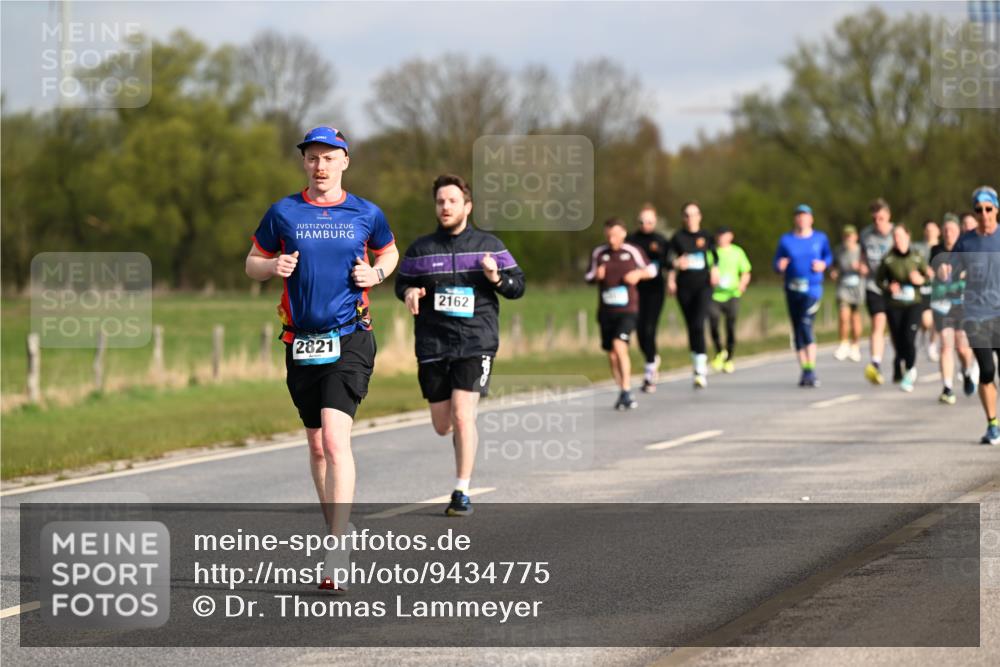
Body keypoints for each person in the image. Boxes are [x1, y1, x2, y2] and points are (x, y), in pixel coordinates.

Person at [246, 126, 399, 589]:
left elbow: (390, 254)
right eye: (313, 158)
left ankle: (336, 548)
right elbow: (251, 262)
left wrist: (374, 272)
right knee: (315, 445)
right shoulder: (283, 212)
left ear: (345, 161)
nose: (320, 166)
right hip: (300, 341)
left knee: (335, 440)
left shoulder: (366, 213)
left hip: (349, 336)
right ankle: (337, 525)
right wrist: (272, 267)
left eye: (329, 158)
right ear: (305, 163)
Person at [395, 174, 525, 516]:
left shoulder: (490, 246)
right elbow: (402, 283)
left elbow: (518, 286)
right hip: (433, 343)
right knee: (443, 425)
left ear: (467, 206)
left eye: (452, 201)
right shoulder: (421, 249)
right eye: (440, 201)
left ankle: (461, 490)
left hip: (476, 341)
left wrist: (496, 277)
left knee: (463, 415)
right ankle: (458, 441)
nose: (445, 207)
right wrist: (409, 292)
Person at [586, 217, 658, 409]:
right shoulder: (599, 253)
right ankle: (623, 391)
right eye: (609, 236)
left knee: (620, 345)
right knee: (612, 355)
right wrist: (596, 276)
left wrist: (639, 274)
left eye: (616, 235)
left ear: (623, 234)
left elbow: (652, 269)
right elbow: (588, 276)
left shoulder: (632, 251)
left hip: (628, 309)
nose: (612, 240)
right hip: (606, 310)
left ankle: (626, 390)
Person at [950, 186, 1000, 445]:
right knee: (988, 369)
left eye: (988, 209)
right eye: (979, 210)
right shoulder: (966, 241)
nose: (984, 214)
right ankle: (992, 423)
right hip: (976, 314)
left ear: (996, 210)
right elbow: (951, 269)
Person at [774, 204, 832, 387]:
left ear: (811, 219)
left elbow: (829, 257)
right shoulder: (786, 240)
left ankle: (811, 369)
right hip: (792, 289)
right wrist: (780, 265)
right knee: (797, 329)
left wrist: (823, 264)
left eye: (805, 216)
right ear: (795, 219)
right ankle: (805, 371)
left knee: (806, 324)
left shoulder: (820, 238)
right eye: (798, 216)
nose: (801, 219)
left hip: (812, 289)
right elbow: (776, 262)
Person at [667, 202, 719, 388]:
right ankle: (696, 363)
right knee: (691, 325)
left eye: (694, 214)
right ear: (683, 218)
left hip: (703, 286)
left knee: (699, 323)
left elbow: (715, 256)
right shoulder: (677, 237)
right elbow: (670, 259)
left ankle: (701, 369)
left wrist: (715, 270)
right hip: (684, 286)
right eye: (687, 215)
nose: (690, 219)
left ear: (700, 216)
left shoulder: (706, 236)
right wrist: (673, 274)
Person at [876, 225, 931, 392]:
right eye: (895, 237)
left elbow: (929, 277)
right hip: (894, 305)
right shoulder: (888, 259)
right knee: (899, 340)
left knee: (909, 337)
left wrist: (920, 279)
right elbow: (879, 280)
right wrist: (888, 287)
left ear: (908, 236)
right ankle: (897, 361)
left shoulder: (917, 257)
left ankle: (909, 371)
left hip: (914, 303)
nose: (898, 240)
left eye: (900, 236)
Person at [930, 213, 977, 404]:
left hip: (962, 304)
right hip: (942, 304)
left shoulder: (966, 250)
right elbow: (939, 269)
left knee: (963, 348)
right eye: (946, 230)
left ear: (959, 232)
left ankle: (966, 371)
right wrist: (943, 270)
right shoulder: (936, 250)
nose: (949, 233)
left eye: (953, 230)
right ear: (942, 232)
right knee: (945, 345)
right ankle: (947, 388)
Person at [626, 204, 670, 392]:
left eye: (650, 221)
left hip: (655, 290)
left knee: (650, 328)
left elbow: (667, 263)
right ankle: (652, 357)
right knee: (640, 331)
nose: (646, 224)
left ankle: (649, 372)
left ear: (655, 221)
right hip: (635, 290)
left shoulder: (660, 240)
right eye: (642, 221)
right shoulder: (631, 240)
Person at [859, 198, 896, 384]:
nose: (878, 223)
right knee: (878, 321)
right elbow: (862, 256)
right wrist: (863, 265)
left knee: (896, 328)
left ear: (888, 216)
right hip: (874, 285)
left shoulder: (896, 234)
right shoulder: (866, 234)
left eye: (881, 218)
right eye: (874, 219)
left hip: (894, 286)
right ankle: (875, 363)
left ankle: (900, 361)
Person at [708, 226, 752, 373]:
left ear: (730, 236)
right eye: (719, 235)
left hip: (732, 294)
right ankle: (720, 351)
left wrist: (742, 284)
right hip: (715, 295)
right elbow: (706, 270)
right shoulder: (711, 252)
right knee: (713, 323)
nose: (721, 238)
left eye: (724, 235)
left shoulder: (737, 252)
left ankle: (729, 358)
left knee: (730, 327)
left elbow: (746, 271)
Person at [830, 225, 864, 362]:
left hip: (857, 288)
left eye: (850, 236)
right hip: (843, 288)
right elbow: (833, 265)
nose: (848, 239)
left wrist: (860, 268)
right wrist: (833, 272)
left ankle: (855, 345)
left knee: (855, 321)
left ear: (855, 237)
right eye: (845, 236)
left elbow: (868, 268)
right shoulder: (839, 250)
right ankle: (843, 343)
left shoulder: (861, 251)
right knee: (843, 316)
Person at [914, 220, 941, 362]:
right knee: (926, 321)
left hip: (939, 289)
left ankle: (932, 344)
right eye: (927, 229)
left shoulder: (942, 248)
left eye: (933, 229)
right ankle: (923, 335)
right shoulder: (918, 248)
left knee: (937, 319)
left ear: (938, 231)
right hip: (924, 288)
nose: (930, 232)